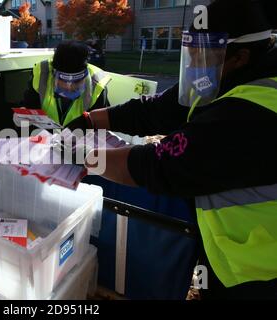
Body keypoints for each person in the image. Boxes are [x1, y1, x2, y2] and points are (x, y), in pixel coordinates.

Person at [67, 0, 277, 299]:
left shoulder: (253, 110)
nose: (195, 61)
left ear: (240, 56)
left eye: (204, 55)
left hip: (260, 270)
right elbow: (156, 110)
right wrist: (90, 120)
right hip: (231, 250)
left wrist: (81, 157)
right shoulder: (226, 79)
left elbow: (157, 165)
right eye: (191, 51)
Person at [22, 40, 111, 127]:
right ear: (54, 74)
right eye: (64, 81)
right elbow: (30, 107)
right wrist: (24, 120)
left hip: (81, 139)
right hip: (46, 137)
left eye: (76, 81)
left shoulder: (97, 85)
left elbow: (102, 126)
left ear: (85, 75)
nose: (70, 87)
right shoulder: (41, 75)